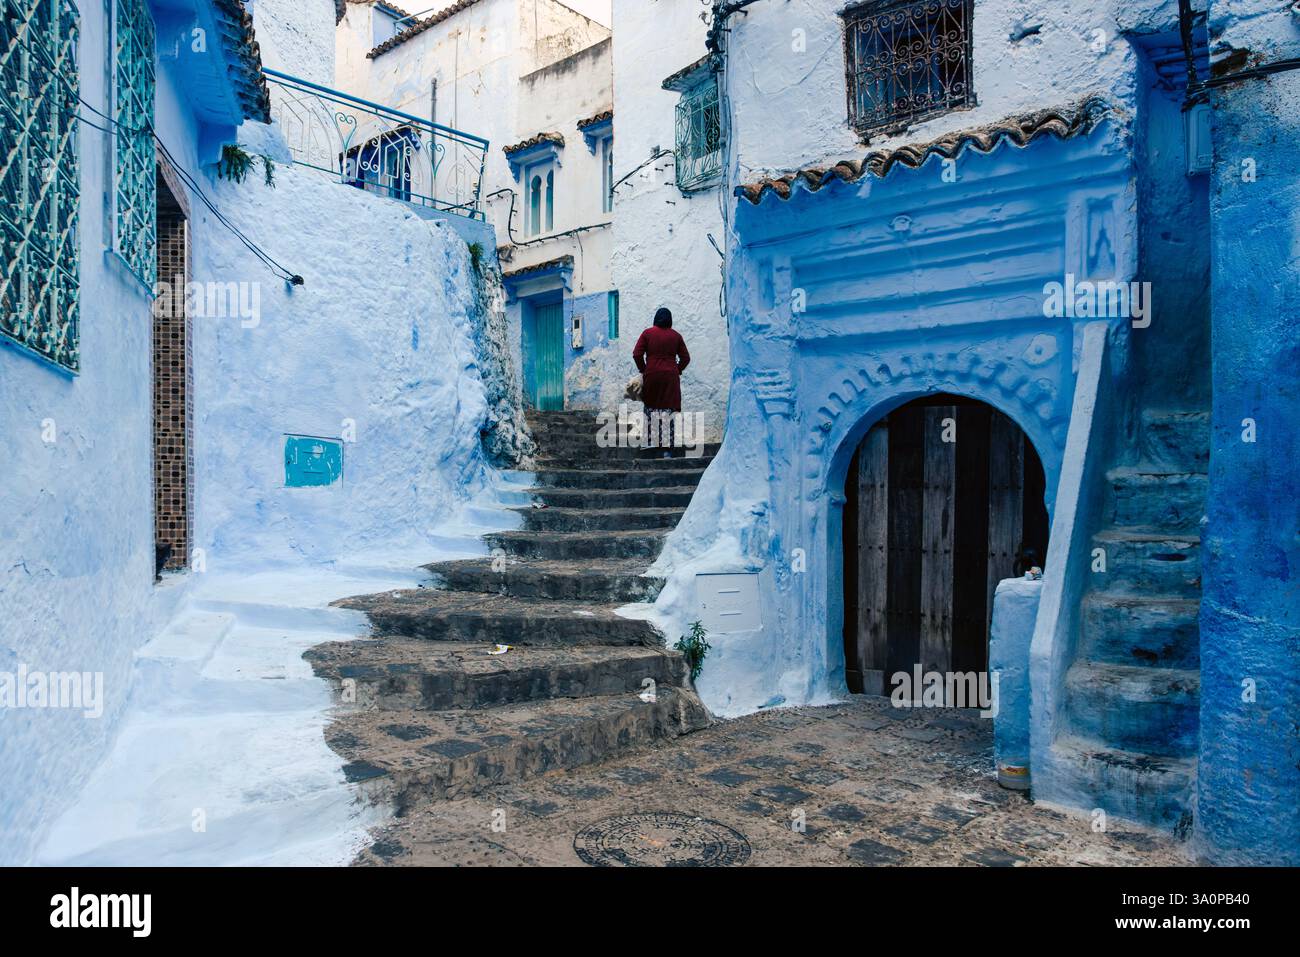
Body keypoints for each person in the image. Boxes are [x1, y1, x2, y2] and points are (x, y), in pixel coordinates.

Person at [632, 307, 690, 456]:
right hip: (670, 377)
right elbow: (686, 358)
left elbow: (637, 354)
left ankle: (652, 446)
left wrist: (644, 370)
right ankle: (666, 450)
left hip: (651, 375)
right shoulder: (676, 336)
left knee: (651, 408)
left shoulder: (647, 333)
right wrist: (677, 369)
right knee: (668, 410)